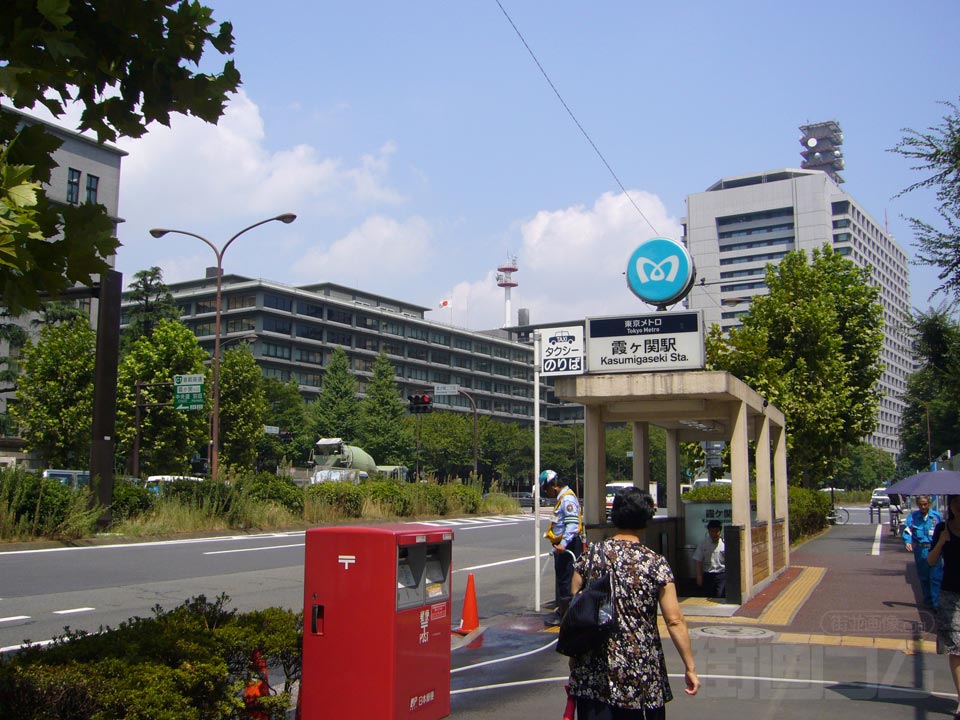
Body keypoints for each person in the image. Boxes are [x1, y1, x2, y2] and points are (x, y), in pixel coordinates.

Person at [568, 487, 699, 719]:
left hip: (592, 673)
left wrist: (574, 659)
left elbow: (575, 610)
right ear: (645, 520)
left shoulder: (590, 557)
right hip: (640, 675)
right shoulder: (655, 563)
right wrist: (690, 666)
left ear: (615, 516)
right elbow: (674, 620)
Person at [927, 494, 960, 720]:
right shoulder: (942, 528)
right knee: (956, 650)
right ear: (951, 506)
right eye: (956, 502)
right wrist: (941, 541)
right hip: (950, 595)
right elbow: (930, 561)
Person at [541, 469, 583, 625]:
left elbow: (572, 524)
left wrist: (563, 544)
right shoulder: (562, 499)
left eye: (547, 488)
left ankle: (565, 617)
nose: (547, 492)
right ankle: (562, 611)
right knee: (562, 579)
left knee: (566, 580)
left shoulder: (567, 499)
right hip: (561, 546)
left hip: (568, 546)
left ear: (555, 485)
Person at [904, 495, 944, 608]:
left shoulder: (936, 516)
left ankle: (936, 603)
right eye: (920, 504)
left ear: (929, 504)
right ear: (917, 504)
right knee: (924, 577)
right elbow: (907, 530)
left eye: (925, 504)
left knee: (936, 576)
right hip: (920, 549)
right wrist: (907, 541)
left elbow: (942, 531)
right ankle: (928, 600)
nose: (923, 506)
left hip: (934, 548)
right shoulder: (913, 517)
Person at [692, 519, 726, 599]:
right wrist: (699, 577)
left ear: (720, 531)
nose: (714, 534)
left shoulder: (724, 544)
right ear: (709, 531)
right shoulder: (703, 544)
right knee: (707, 596)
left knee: (720, 595)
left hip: (721, 575)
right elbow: (698, 560)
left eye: (716, 531)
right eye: (712, 531)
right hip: (708, 575)